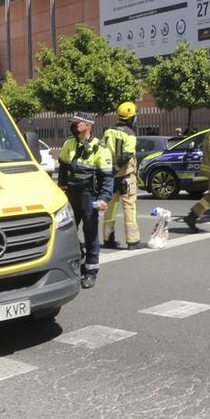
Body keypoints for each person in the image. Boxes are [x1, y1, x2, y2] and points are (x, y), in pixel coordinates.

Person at [57, 112, 113, 289]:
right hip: (71, 193)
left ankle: (90, 272)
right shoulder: (69, 143)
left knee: (90, 234)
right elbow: (63, 170)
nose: (73, 126)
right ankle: (76, 262)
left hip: (89, 195)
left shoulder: (100, 148)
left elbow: (107, 177)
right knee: (67, 231)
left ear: (87, 125)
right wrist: (61, 188)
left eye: (77, 123)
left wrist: (104, 198)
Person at [101, 102, 141, 251]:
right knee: (129, 207)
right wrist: (117, 168)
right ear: (130, 118)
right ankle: (133, 241)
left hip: (111, 177)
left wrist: (110, 171)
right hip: (126, 176)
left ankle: (107, 239)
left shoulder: (108, 132)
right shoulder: (130, 134)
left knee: (110, 209)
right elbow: (127, 154)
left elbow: (102, 150)